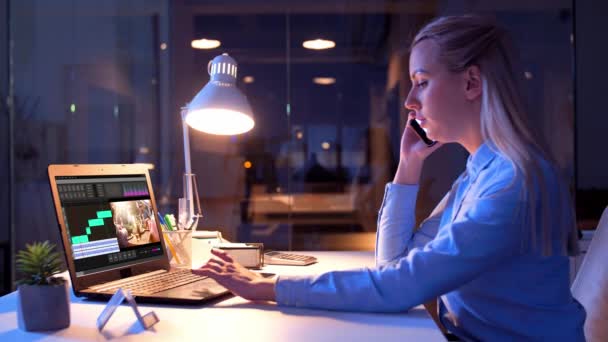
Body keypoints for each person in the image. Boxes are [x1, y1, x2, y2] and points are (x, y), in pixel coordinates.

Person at [192, 15, 586, 341]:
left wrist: (270, 287)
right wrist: (408, 167)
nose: (410, 101)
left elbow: (401, 285)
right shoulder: (479, 173)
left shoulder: (512, 182)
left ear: (471, 83)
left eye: (422, 82)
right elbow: (394, 264)